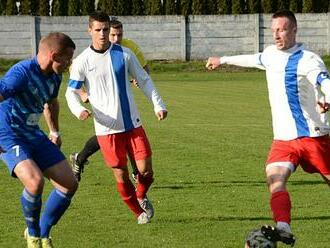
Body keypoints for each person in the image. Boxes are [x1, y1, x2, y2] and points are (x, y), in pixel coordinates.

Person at [206, 10, 330, 246]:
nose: (276, 35)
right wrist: (222, 60)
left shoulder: (308, 59)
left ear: (294, 30)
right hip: (283, 139)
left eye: (281, 29)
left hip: (312, 136)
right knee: (275, 179)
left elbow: (324, 81)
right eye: (273, 30)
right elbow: (252, 59)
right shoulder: (271, 54)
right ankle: (283, 227)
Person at [65, 11, 167, 224]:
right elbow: (70, 91)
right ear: (89, 31)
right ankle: (138, 213)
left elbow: (144, 80)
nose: (102, 34)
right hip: (106, 129)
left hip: (132, 124)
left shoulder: (125, 54)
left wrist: (158, 104)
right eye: (98, 30)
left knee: (146, 171)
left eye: (105, 30)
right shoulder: (82, 60)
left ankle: (141, 195)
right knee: (120, 174)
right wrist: (78, 110)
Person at [0, 32, 78, 248]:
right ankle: (33, 237)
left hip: (33, 132)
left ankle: (43, 234)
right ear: (54, 55)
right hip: (9, 134)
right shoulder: (21, 72)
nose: (69, 64)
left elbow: (51, 103)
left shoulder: (55, 75)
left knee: (69, 184)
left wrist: (55, 132)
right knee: (35, 182)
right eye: (68, 59)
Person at [70, 18, 150, 182]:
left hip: (122, 95)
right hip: (100, 97)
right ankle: (80, 159)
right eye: (112, 35)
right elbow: (75, 80)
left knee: (125, 131)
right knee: (114, 134)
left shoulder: (129, 47)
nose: (115, 39)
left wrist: (140, 78)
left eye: (119, 35)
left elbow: (144, 68)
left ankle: (79, 158)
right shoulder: (87, 56)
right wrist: (83, 93)